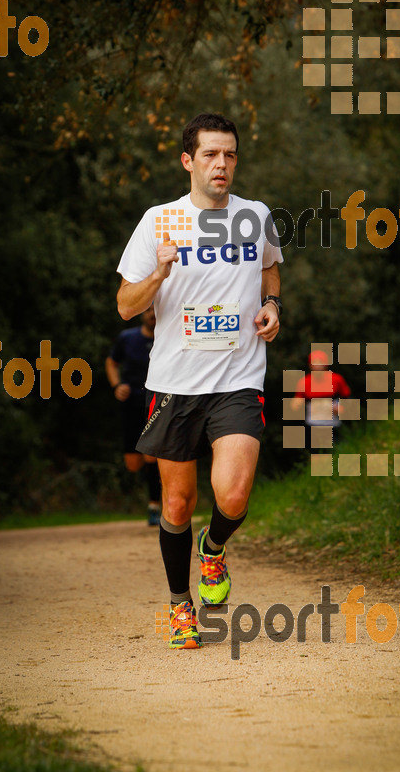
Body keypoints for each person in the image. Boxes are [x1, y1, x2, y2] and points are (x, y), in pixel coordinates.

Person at [115, 112, 282, 649]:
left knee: (232, 495)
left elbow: (270, 268)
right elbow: (124, 305)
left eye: (230, 154)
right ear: (188, 160)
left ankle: (214, 549)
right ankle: (179, 604)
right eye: (210, 154)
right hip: (174, 383)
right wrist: (159, 274)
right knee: (177, 504)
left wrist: (272, 304)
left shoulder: (256, 217)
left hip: (238, 377)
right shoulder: (158, 220)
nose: (222, 164)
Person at [105, 306, 162, 525]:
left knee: (151, 456)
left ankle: (154, 506)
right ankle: (154, 480)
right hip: (131, 403)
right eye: (148, 310)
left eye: (155, 309)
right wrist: (116, 385)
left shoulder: (168, 337)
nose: (152, 314)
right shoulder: (127, 338)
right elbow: (111, 362)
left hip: (158, 403)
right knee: (133, 462)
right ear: (141, 313)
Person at [292, 349, 351, 443]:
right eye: (314, 363)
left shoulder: (336, 379)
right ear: (310, 365)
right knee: (315, 453)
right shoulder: (304, 382)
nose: (317, 366)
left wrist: (341, 409)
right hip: (312, 424)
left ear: (326, 364)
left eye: (320, 362)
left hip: (333, 424)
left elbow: (347, 399)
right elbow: (297, 401)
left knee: (335, 451)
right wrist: (297, 405)